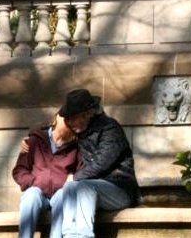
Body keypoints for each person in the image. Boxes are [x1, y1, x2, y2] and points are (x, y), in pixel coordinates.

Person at [58, 89, 139, 238]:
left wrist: (76, 177)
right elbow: (50, 128)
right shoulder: (81, 131)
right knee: (70, 187)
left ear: (88, 114)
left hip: (120, 189)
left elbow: (102, 162)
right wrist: (32, 136)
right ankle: (69, 235)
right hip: (94, 188)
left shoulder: (110, 128)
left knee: (82, 186)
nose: (69, 123)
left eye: (73, 118)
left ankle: (83, 236)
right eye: (68, 119)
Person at [12, 112, 79, 238]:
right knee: (31, 195)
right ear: (57, 118)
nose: (69, 125)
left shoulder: (76, 147)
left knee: (62, 196)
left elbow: (82, 169)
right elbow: (19, 170)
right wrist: (34, 182)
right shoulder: (34, 141)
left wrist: (72, 177)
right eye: (67, 120)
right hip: (38, 193)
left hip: (60, 193)